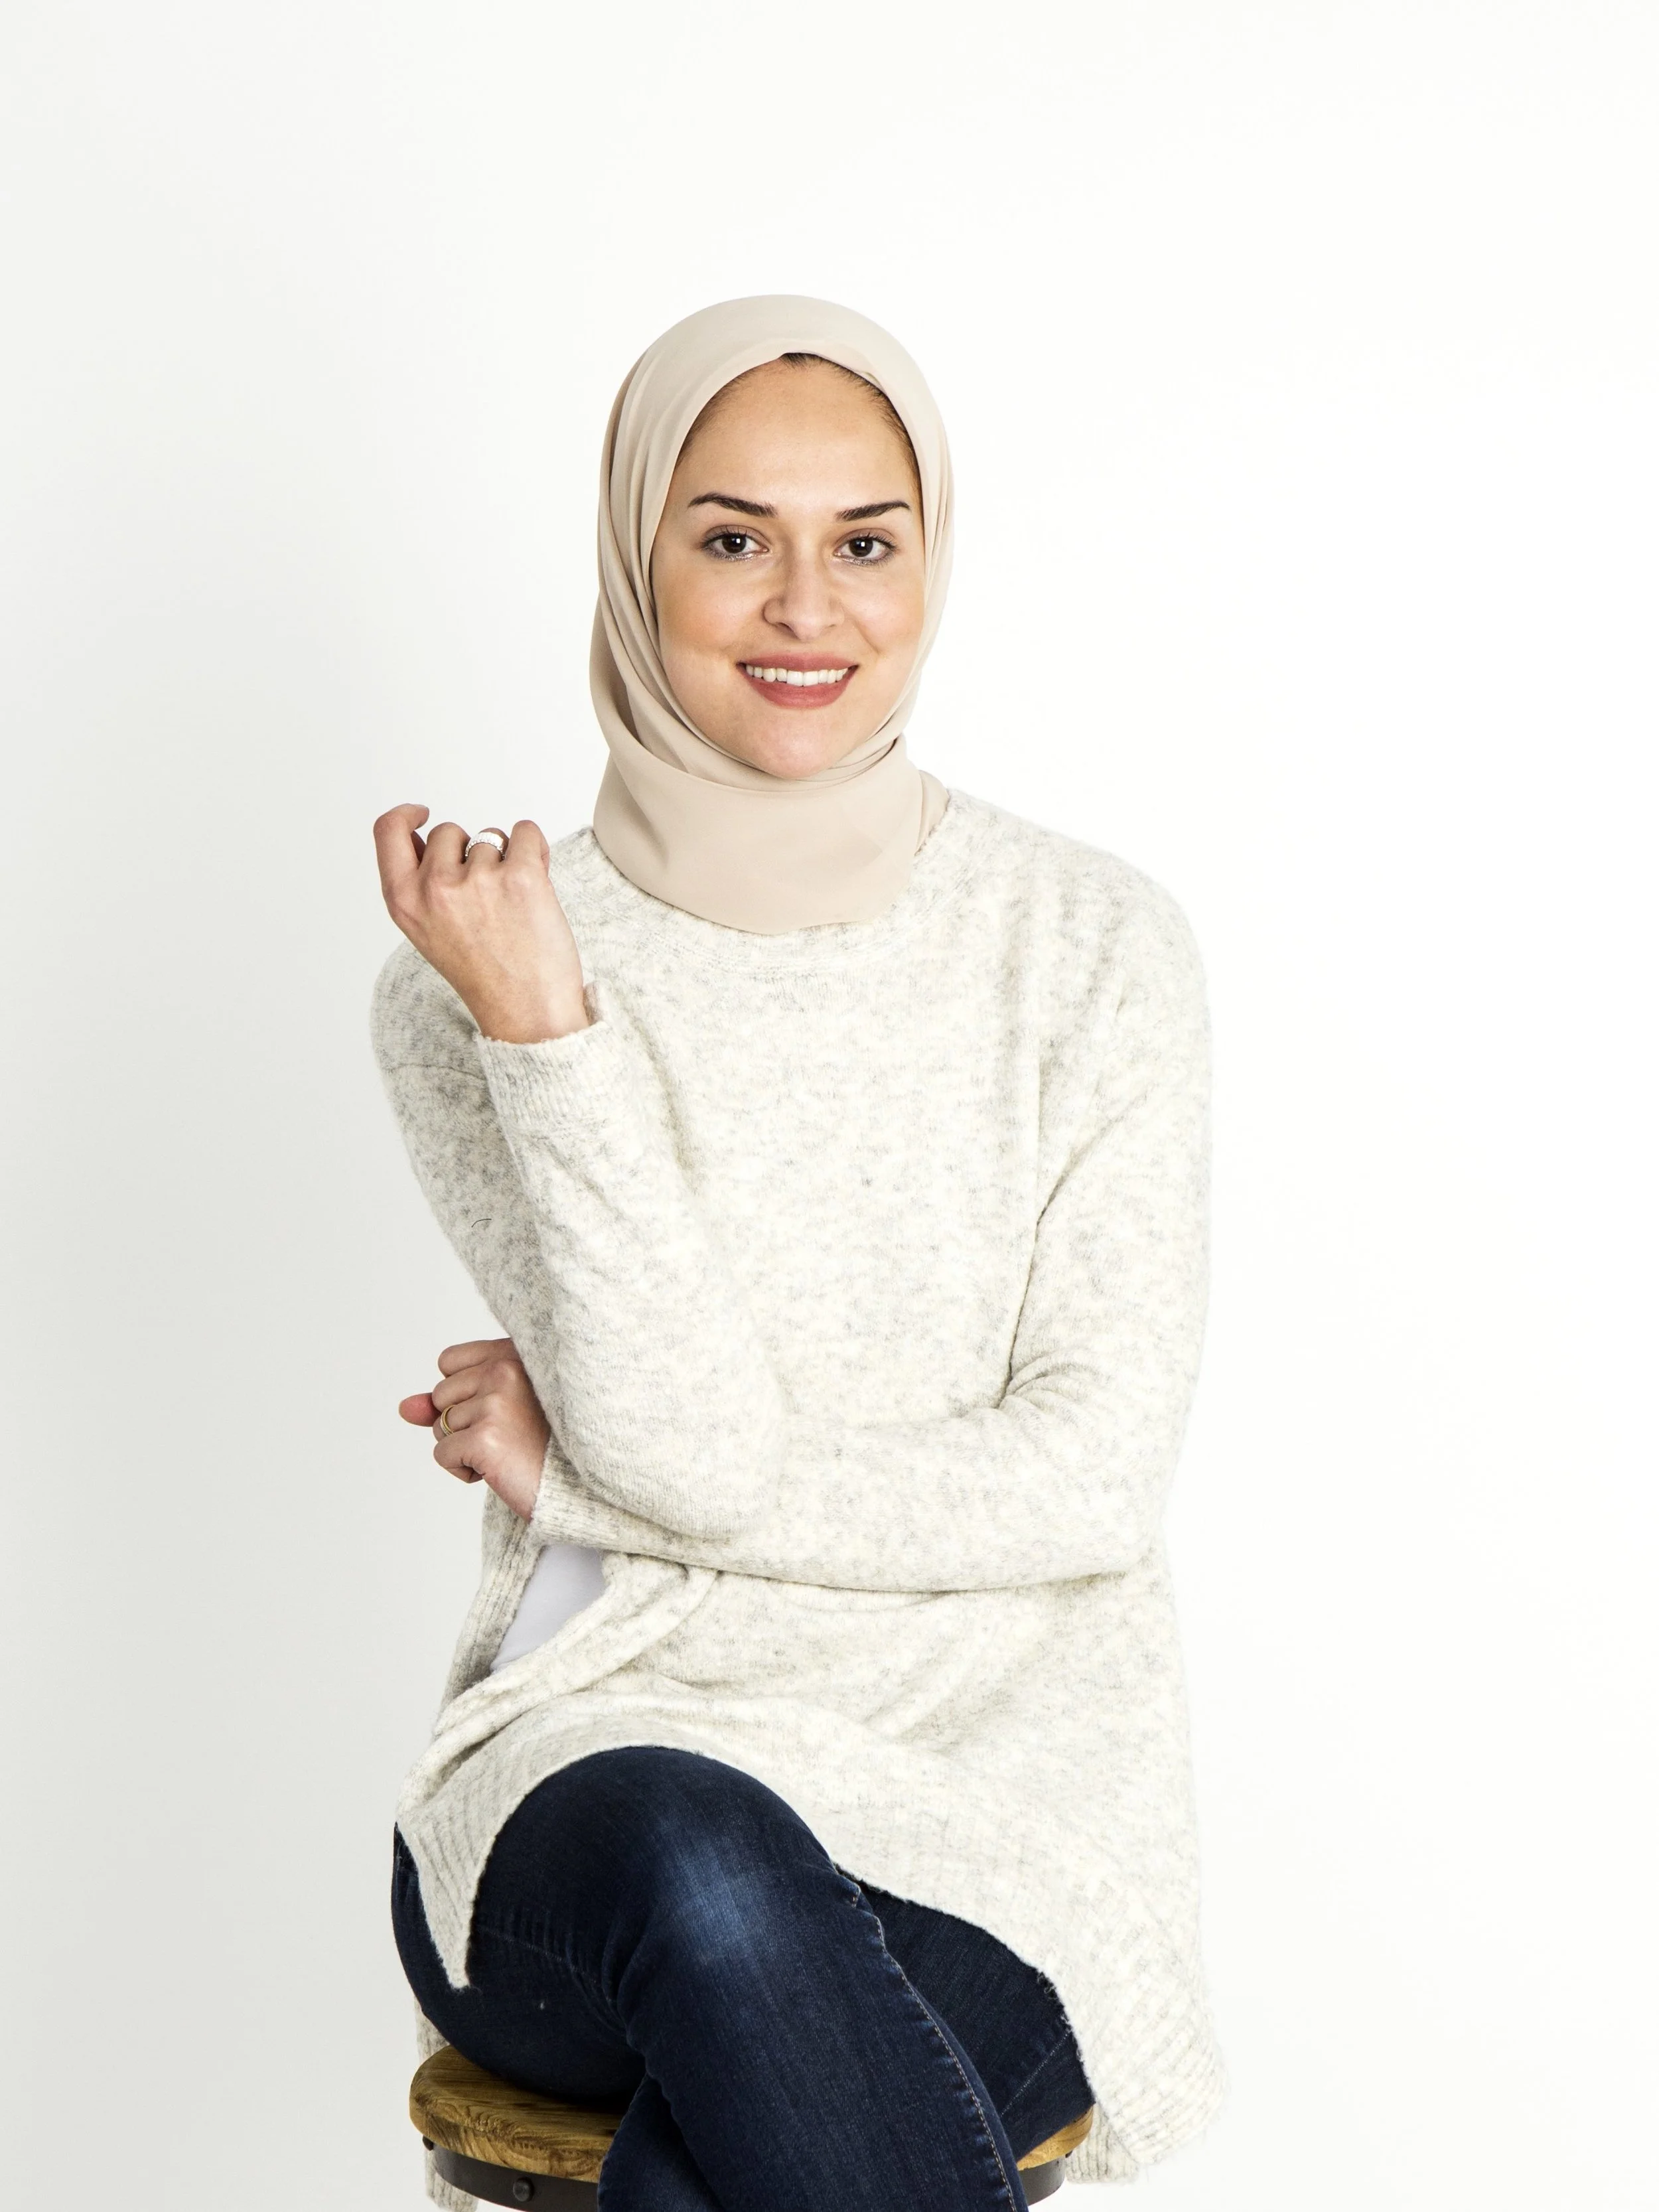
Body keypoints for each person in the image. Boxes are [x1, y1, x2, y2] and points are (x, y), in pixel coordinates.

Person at [370, 296, 1223, 2212]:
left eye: (865, 543)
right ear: (634, 557)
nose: (805, 609)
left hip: (997, 1824)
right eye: (733, 537)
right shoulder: (483, 979)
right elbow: (684, 1445)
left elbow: (1088, 1478)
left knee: (747, 2123)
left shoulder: (1090, 945)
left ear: (933, 563)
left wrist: (582, 1478)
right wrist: (551, 1036)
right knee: (709, 1869)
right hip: (601, 1790)